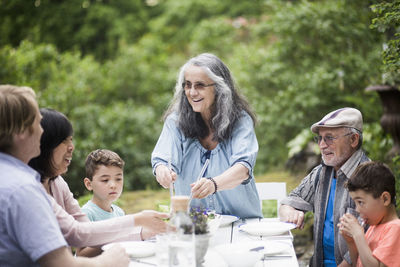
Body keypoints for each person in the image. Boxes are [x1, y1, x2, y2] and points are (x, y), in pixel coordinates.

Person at [0, 84, 129, 267]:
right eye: (37, 123)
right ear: (22, 132)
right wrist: (109, 260)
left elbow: (77, 230)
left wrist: (135, 224)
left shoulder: (17, 179)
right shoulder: (22, 189)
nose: (42, 131)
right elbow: (61, 263)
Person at [28, 108, 168, 257]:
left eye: (71, 140)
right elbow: (76, 233)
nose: (72, 147)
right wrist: (137, 220)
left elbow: (87, 230)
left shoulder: (57, 183)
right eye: (64, 141)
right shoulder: (29, 189)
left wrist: (140, 232)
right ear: (45, 144)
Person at [151, 53, 262, 219]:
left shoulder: (240, 121)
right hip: (195, 224)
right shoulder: (175, 122)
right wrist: (162, 171)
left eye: (200, 85)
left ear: (218, 88)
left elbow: (243, 169)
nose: (192, 92)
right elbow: (162, 159)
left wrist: (214, 184)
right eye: (187, 85)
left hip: (242, 224)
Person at [279, 107, 370, 267]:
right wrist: (290, 211)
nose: (321, 145)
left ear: (354, 140)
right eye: (319, 138)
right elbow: (289, 202)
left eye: (329, 138)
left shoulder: (371, 177)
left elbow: (372, 240)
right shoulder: (322, 172)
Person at [338, 161, 400, 267]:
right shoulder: (374, 226)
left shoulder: (395, 229)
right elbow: (358, 263)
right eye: (355, 203)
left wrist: (358, 235)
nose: (357, 209)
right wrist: (351, 242)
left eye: (360, 202)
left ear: (385, 199)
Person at [82, 149, 126, 221]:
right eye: (105, 180)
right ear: (89, 184)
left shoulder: (120, 213)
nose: (113, 185)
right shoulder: (87, 214)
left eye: (118, 179)